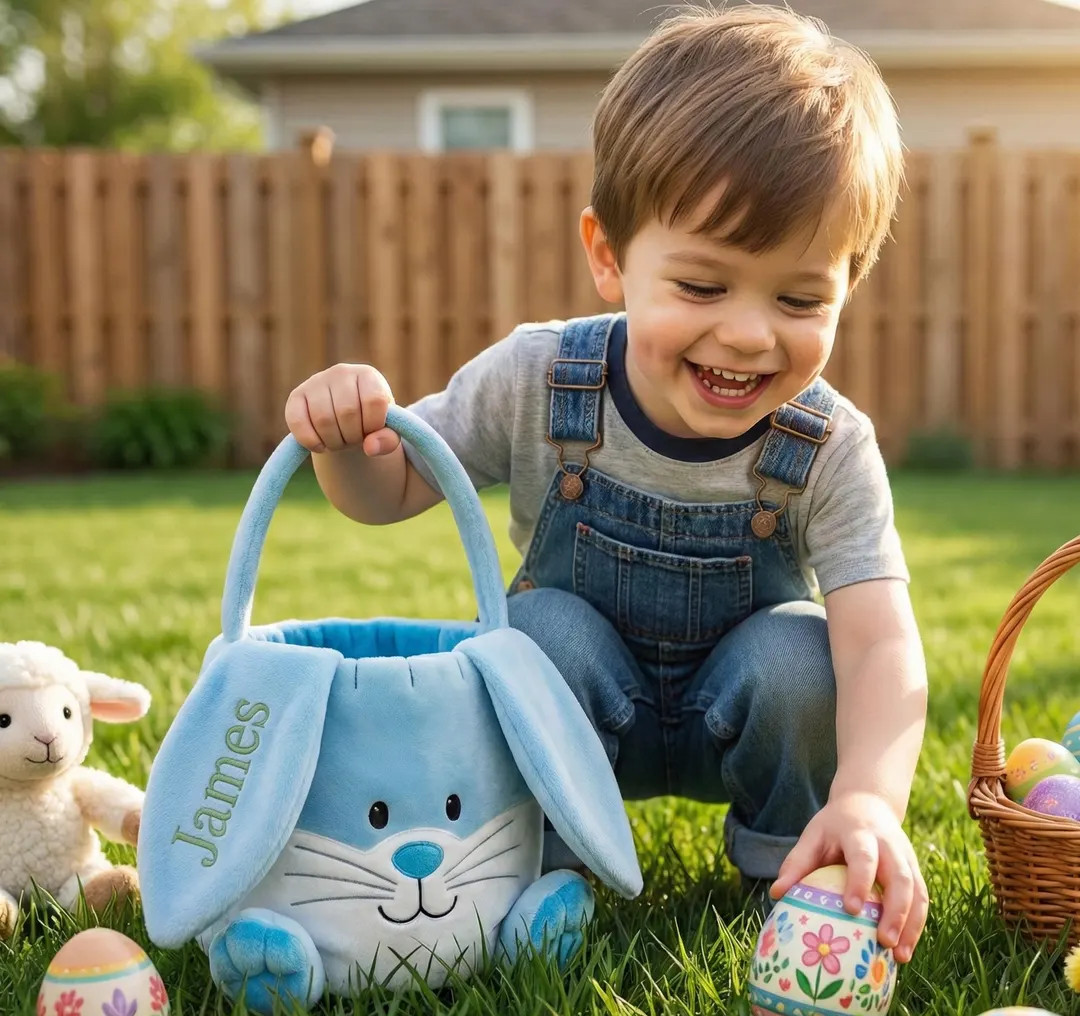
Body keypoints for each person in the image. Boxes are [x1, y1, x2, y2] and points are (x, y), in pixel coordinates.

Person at [284, 4, 929, 963]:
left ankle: (793, 870)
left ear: (846, 288)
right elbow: (388, 493)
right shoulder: (541, 380)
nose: (750, 333)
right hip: (575, 717)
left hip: (735, 711)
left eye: (799, 299)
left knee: (805, 657)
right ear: (608, 257)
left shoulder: (828, 444)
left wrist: (868, 797)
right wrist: (347, 443)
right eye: (703, 287)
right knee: (535, 632)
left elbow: (880, 648)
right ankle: (546, 867)